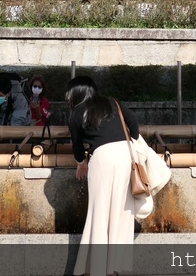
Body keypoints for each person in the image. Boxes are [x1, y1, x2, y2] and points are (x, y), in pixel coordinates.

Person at [67, 75, 139, 276]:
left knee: (98, 211)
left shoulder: (77, 113)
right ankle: (114, 266)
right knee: (121, 210)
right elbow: (133, 122)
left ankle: (96, 267)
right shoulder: (112, 103)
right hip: (125, 155)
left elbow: (77, 146)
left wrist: (81, 163)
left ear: (75, 93)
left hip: (102, 158)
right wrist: (131, 142)